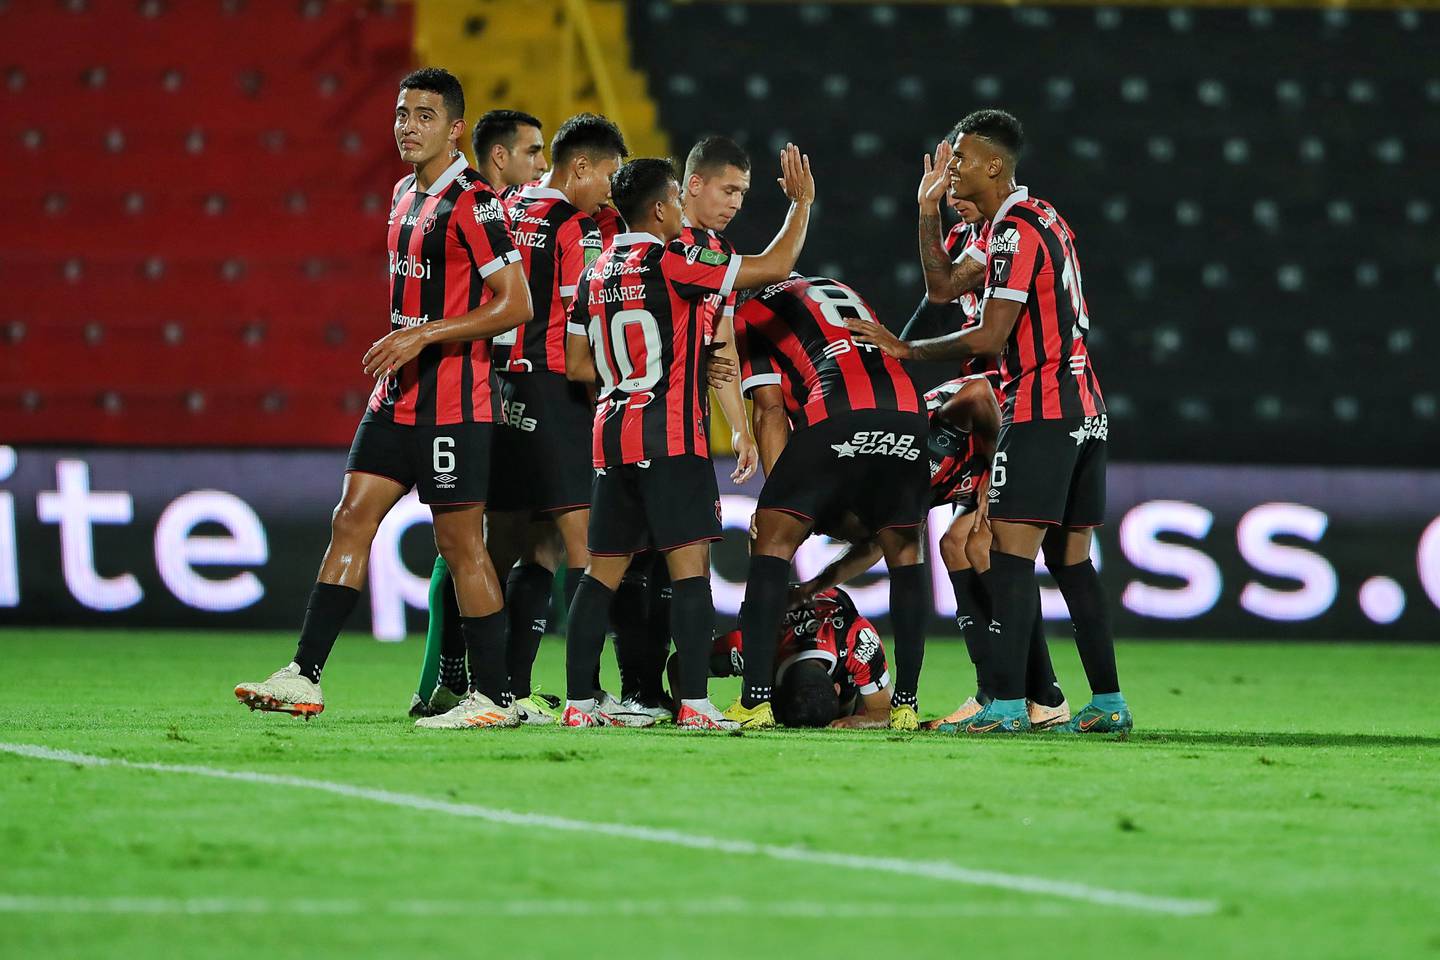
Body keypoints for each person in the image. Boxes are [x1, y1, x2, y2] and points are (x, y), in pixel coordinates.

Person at [234, 68, 532, 728]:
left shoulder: (474, 201)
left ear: (455, 128)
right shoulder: (402, 193)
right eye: (401, 113)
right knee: (351, 516)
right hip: (397, 398)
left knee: (461, 546)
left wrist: (423, 334)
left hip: (456, 403)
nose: (407, 126)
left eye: (424, 116)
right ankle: (303, 676)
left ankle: (492, 697)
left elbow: (517, 303)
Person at [849, 109, 1129, 734]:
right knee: (1072, 560)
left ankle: (1005, 702)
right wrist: (927, 213)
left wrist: (906, 350)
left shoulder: (1012, 232)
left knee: (1004, 553)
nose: (950, 168)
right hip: (1087, 410)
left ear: (995, 165)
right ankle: (1108, 702)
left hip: (1039, 407)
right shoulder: (1036, 219)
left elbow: (994, 333)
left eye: (961, 160)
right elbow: (945, 286)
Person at [560, 147, 816, 730]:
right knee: (690, 570)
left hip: (611, 438)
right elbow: (775, 267)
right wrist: (800, 204)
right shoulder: (674, 260)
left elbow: (577, 364)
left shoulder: (592, 273)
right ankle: (696, 704)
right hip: (671, 438)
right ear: (658, 209)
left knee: (601, 574)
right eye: (676, 199)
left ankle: (578, 701)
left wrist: (652, 365)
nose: (682, 211)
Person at [791, 373, 1070, 731]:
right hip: (982, 466)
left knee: (982, 547)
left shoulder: (919, 451)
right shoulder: (883, 502)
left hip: (1026, 432)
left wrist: (1000, 468)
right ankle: (991, 693)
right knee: (954, 545)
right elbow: (874, 546)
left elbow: (980, 393)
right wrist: (811, 588)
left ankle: (1047, 697)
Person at [726, 275, 931, 731]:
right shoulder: (839, 288)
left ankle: (755, 702)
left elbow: (771, 410)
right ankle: (905, 706)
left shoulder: (749, 314)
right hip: (909, 415)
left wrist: (776, 501)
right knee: (904, 553)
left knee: (772, 543)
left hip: (837, 410)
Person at [480, 113, 628, 726]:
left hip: (499, 385)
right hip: (553, 389)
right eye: (610, 177)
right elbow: (578, 327)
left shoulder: (505, 207)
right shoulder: (575, 226)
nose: (612, 192)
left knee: (515, 544)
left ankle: (495, 686)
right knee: (582, 546)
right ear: (582, 168)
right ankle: (584, 694)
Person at [609, 135, 762, 723]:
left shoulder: (712, 251)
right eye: (728, 189)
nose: (735, 203)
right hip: (652, 426)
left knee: (656, 566)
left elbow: (719, 346)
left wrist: (739, 428)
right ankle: (640, 688)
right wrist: (801, 208)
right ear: (689, 187)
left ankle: (647, 692)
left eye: (743, 194)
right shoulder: (661, 248)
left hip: (676, 428)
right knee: (643, 565)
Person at [411, 107, 552, 718]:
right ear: (499, 157)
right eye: (531, 154)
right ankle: (454, 679)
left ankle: (470, 683)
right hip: (481, 394)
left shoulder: (511, 214)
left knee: (492, 541)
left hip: (500, 394)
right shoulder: (472, 208)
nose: (540, 168)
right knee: (469, 540)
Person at [674, 587, 892, 729]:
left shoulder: (859, 640)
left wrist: (858, 721)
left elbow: (883, 712)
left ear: (837, 687)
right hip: (771, 607)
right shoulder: (748, 649)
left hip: (831, 601)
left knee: (866, 697)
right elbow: (678, 665)